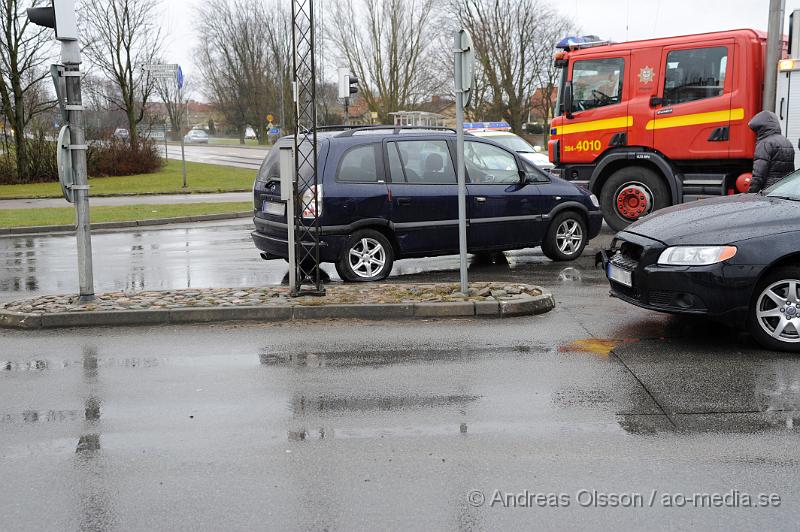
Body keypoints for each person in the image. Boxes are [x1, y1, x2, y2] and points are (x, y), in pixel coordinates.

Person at [747, 110, 795, 193]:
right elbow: (791, 172)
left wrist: (751, 192)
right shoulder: (787, 141)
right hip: (784, 190)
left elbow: (759, 175)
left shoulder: (765, 143)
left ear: (761, 128)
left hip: (769, 190)